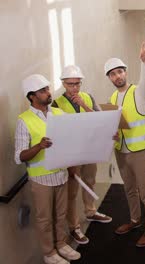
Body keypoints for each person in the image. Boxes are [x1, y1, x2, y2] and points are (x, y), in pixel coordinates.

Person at [15, 74, 81, 264]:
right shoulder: (24, 120)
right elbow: (19, 156)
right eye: (42, 91)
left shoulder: (58, 114)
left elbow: (75, 134)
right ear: (32, 96)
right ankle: (49, 252)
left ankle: (61, 244)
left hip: (61, 174)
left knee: (61, 214)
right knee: (45, 219)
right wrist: (39, 146)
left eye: (47, 89)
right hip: (41, 178)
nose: (48, 93)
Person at [51, 65, 112, 245]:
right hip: (72, 154)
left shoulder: (88, 97)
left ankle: (91, 211)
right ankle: (74, 227)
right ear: (63, 83)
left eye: (77, 84)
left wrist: (84, 105)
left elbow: (99, 120)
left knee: (90, 181)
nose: (75, 88)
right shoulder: (56, 103)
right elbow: (58, 132)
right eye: (71, 84)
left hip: (90, 149)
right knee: (72, 192)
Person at [104, 43, 145, 247]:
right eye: (112, 74)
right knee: (129, 190)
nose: (117, 76)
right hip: (121, 151)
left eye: (119, 72)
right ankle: (135, 220)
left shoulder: (138, 93)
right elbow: (115, 124)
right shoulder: (112, 98)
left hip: (138, 152)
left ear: (125, 72)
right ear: (109, 78)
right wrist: (113, 134)